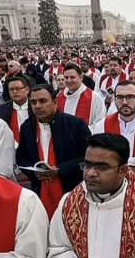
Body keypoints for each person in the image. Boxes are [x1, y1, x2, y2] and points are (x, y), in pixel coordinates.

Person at [16, 84, 90, 217]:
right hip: (40, 189)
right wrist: (35, 173)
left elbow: (87, 157)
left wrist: (60, 170)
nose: (37, 106)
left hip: (71, 189)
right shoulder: (27, 127)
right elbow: (22, 157)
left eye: (43, 101)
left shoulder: (75, 125)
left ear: (55, 102)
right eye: (33, 102)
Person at [0, 75, 34, 146]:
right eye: (11, 89)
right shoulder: (1, 110)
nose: (15, 91)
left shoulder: (36, 107)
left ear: (27, 90)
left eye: (18, 88)